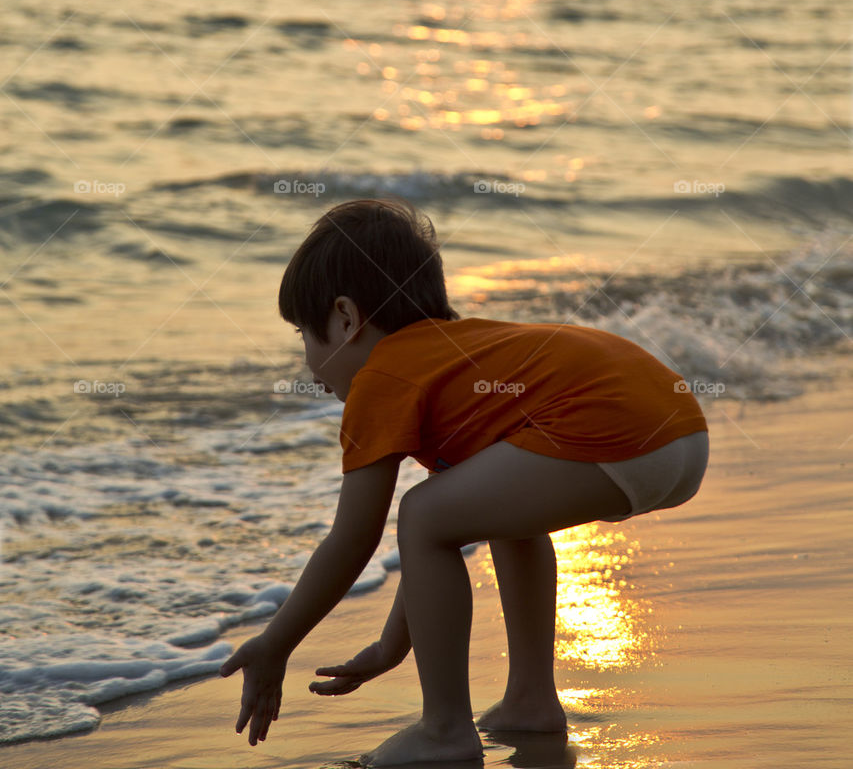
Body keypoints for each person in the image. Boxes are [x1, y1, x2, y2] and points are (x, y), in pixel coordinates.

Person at [219, 198, 710, 765]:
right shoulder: (455, 358)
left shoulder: (384, 377)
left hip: (619, 430)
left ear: (347, 319)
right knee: (486, 516)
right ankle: (530, 700)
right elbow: (451, 524)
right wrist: (390, 644)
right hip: (680, 432)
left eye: (306, 333)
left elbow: (353, 539)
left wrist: (276, 643)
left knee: (423, 512)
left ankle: (445, 727)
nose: (307, 360)